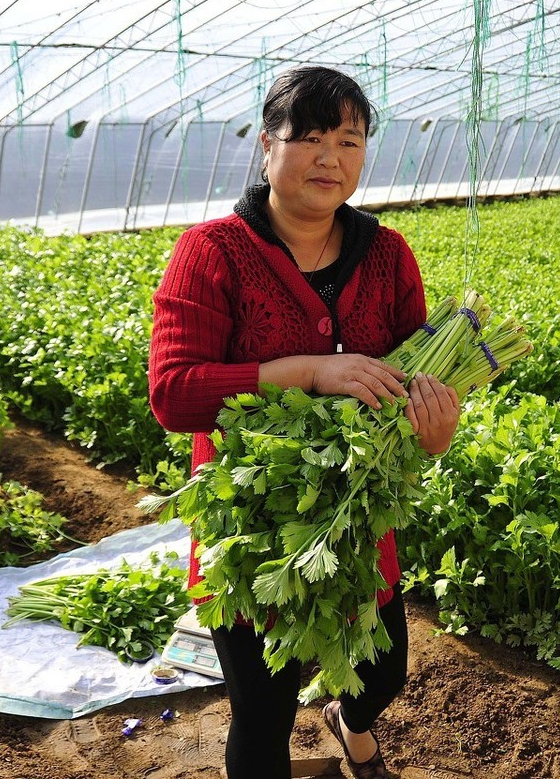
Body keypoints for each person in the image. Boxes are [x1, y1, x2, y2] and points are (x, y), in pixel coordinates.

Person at [148, 66, 460, 779]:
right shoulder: (212, 252)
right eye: (310, 137)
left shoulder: (388, 255)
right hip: (253, 535)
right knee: (262, 715)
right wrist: (307, 369)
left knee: (382, 676)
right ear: (267, 145)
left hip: (354, 519)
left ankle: (349, 722)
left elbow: (412, 380)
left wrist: (434, 432)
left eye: (349, 141)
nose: (330, 157)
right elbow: (173, 393)